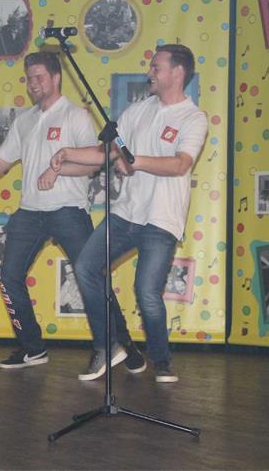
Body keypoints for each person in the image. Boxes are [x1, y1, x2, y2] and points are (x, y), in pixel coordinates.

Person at [0, 51, 144, 371]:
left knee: (91, 276)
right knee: (9, 277)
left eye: (39, 77)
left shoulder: (75, 116)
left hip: (68, 211)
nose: (32, 83)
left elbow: (93, 162)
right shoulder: (25, 120)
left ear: (56, 77)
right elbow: (1, 162)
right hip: (29, 212)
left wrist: (58, 170)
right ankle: (32, 348)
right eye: (29, 78)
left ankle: (122, 344)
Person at [49, 44, 208, 383]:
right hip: (125, 214)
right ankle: (108, 346)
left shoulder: (193, 118)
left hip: (161, 220)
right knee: (86, 266)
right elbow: (105, 152)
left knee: (147, 293)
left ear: (178, 72)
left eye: (156, 67)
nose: (150, 72)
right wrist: (68, 153)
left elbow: (180, 164)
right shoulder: (138, 110)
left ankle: (161, 361)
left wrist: (135, 161)